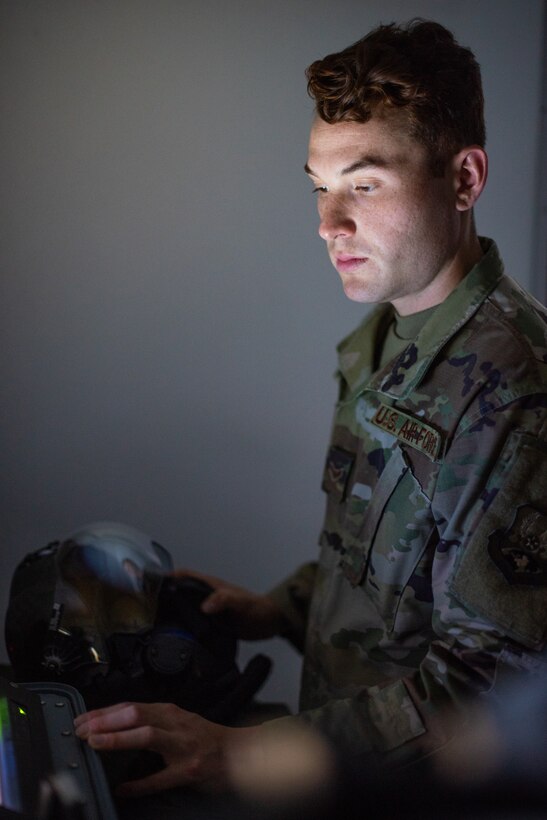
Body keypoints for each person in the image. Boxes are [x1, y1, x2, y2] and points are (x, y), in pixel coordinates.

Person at [74, 18, 547, 795]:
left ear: (462, 180)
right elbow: (394, 558)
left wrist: (241, 754)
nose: (327, 225)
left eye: (363, 184)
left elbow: (488, 691)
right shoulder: (385, 335)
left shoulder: (516, 390)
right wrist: (279, 607)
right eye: (319, 188)